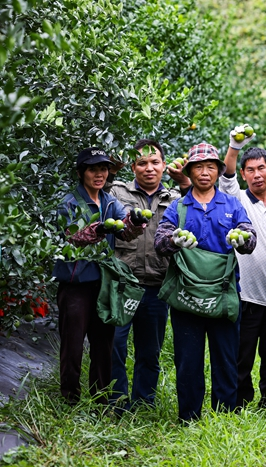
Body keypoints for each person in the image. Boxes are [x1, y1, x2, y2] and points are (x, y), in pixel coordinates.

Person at [154, 142, 256, 421]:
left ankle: (224, 415)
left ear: (218, 171)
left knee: (226, 358)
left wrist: (243, 237)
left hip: (222, 292)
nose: (204, 172)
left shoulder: (231, 204)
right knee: (188, 360)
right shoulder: (179, 206)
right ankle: (189, 416)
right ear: (190, 171)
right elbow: (160, 242)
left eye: (210, 167)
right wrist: (174, 240)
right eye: (198, 167)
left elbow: (250, 240)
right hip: (187, 294)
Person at [52, 147, 146, 404]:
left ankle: (101, 400)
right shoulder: (68, 202)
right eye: (93, 169)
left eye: (103, 169)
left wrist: (134, 222)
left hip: (103, 283)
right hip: (76, 284)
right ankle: (70, 398)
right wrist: (98, 229)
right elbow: (72, 237)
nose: (99, 174)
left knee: (103, 343)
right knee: (72, 345)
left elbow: (124, 230)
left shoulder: (109, 201)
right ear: (81, 172)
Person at [106, 139, 191, 410]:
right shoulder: (118, 192)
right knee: (114, 346)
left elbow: (196, 202)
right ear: (133, 166)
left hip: (156, 284)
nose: (149, 168)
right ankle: (116, 401)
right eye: (142, 162)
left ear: (164, 166)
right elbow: (98, 185)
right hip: (123, 283)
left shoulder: (175, 198)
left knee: (149, 350)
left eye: (155, 162)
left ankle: (144, 402)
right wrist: (114, 165)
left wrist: (184, 178)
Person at [219, 128, 266, 409]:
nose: (257, 175)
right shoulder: (238, 199)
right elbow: (227, 174)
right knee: (241, 355)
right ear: (244, 175)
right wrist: (235, 146)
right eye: (250, 170)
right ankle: (239, 401)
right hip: (246, 295)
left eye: (262, 168)